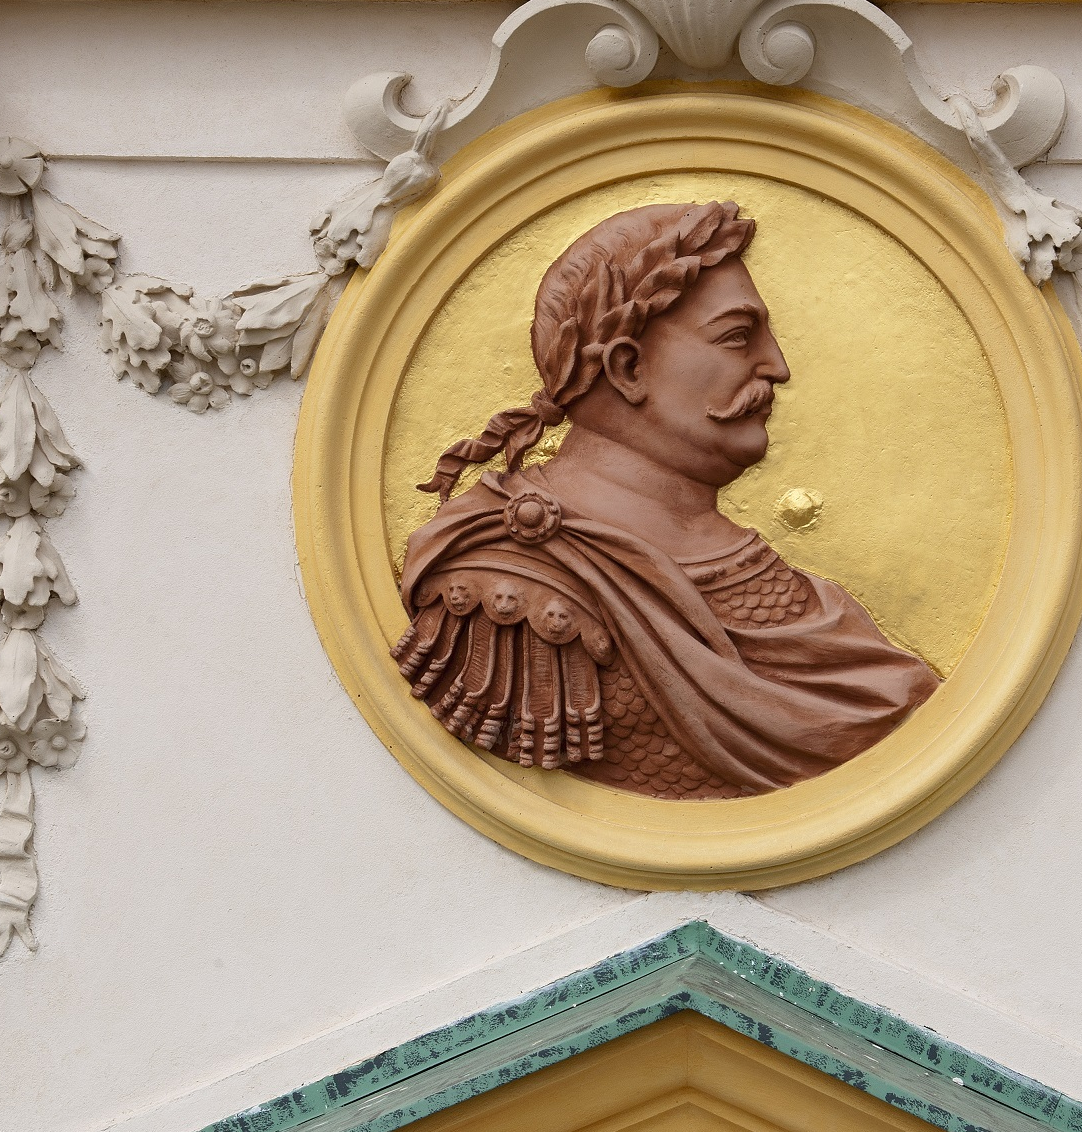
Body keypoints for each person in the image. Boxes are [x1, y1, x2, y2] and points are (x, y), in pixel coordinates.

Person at [391, 201, 939, 799]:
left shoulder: (785, 588)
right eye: (737, 337)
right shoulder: (507, 583)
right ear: (628, 367)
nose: (777, 367)